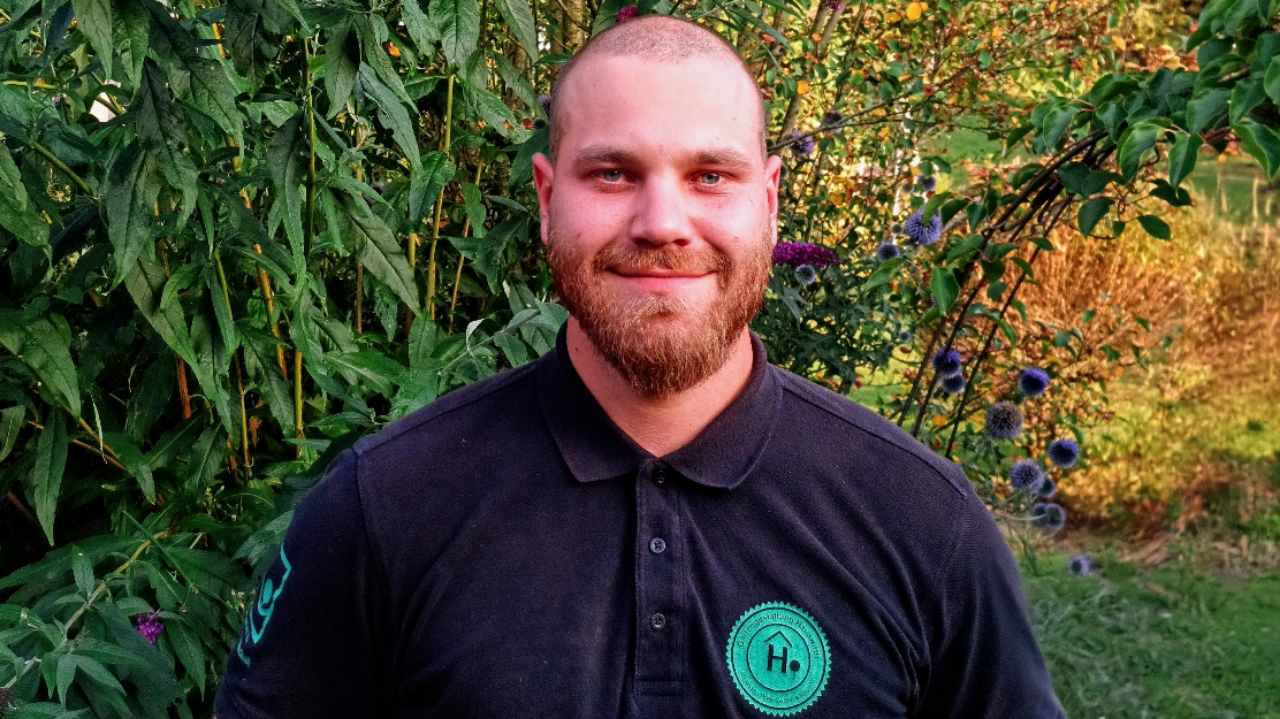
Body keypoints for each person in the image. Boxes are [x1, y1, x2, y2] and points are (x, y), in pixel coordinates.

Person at [214, 14, 1065, 719]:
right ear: (548, 199)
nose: (663, 222)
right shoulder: (383, 508)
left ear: (769, 203)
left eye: (711, 175)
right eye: (614, 173)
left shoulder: (923, 522)